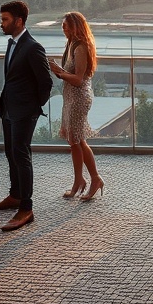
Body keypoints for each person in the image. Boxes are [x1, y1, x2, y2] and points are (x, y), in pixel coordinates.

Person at [0, 0, 53, 232]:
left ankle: (26, 207)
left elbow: (46, 83)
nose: (1, 23)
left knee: (21, 154)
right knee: (10, 153)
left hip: (24, 112)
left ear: (19, 20)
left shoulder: (33, 47)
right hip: (9, 109)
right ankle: (15, 195)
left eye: (5, 19)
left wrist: (32, 108)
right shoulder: (12, 43)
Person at [48, 11, 104, 202]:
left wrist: (60, 72)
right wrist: (59, 71)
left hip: (79, 98)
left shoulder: (80, 47)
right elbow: (70, 75)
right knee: (77, 141)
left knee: (76, 140)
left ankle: (88, 179)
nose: (63, 29)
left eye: (65, 26)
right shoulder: (71, 44)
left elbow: (78, 79)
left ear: (75, 26)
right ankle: (84, 179)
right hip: (72, 97)